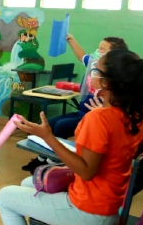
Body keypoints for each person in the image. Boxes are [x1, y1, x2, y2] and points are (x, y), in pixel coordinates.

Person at [0, 49, 143, 225]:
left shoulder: (99, 119)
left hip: (90, 211)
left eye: (96, 71)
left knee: (5, 197)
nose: (92, 74)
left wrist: (48, 137)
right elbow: (131, 157)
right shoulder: (139, 113)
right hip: (114, 205)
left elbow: (86, 171)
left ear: (108, 82)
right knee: (29, 182)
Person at [22, 35, 129, 172]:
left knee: (61, 126)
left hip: (93, 116)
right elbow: (82, 56)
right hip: (82, 112)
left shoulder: (112, 77)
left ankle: (53, 161)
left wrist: (103, 109)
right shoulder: (93, 63)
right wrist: (71, 40)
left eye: (101, 49)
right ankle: (42, 157)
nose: (97, 51)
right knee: (50, 123)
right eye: (98, 47)